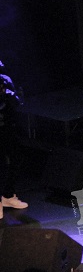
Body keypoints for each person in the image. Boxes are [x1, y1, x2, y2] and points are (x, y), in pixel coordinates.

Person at [0, 60, 28, 220]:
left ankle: (8, 196)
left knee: (17, 158)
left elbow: (16, 102)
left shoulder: (5, 79)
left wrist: (12, 96)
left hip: (7, 127)